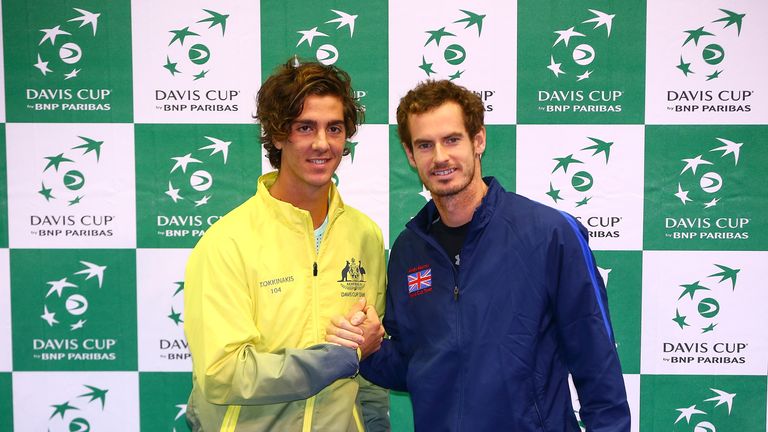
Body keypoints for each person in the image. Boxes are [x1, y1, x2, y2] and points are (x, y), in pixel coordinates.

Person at [327, 80, 630, 431]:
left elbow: (598, 365)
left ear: (478, 141)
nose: (440, 157)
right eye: (425, 145)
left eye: (452, 140)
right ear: (411, 156)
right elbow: (414, 366)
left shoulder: (550, 233)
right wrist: (369, 349)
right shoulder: (409, 250)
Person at [184, 57, 388, 432]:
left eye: (335, 128)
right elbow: (221, 372)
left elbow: (369, 367)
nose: (322, 144)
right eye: (305, 127)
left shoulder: (366, 235)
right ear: (278, 135)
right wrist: (335, 360)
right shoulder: (227, 242)